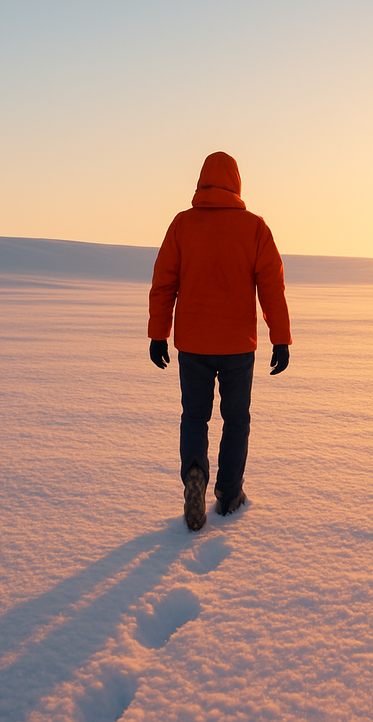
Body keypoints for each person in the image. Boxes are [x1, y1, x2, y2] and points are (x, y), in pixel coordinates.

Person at [148, 151, 291, 531]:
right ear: (236, 182)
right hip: (237, 346)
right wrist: (280, 339)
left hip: (193, 343)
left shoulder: (182, 224)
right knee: (235, 420)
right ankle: (229, 494)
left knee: (195, 416)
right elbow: (271, 288)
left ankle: (195, 471)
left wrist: (158, 334)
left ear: (201, 181)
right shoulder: (254, 228)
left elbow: (164, 283)